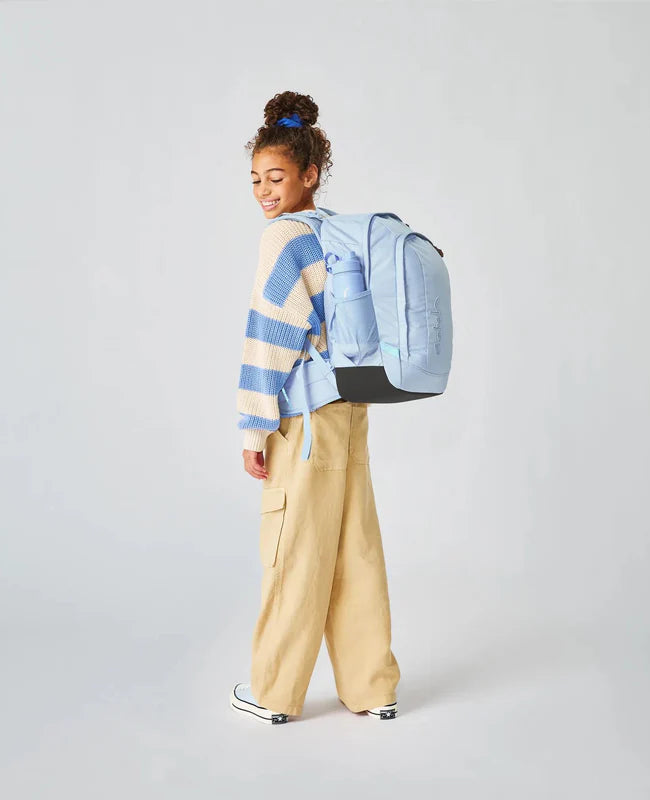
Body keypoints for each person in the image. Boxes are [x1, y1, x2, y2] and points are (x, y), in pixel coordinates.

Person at [230, 91, 400, 725]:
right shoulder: (336, 234)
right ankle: (374, 690)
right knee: (356, 551)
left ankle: (274, 694)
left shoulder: (283, 239)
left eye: (276, 178)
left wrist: (254, 426)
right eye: (256, 179)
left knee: (296, 550)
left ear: (309, 174)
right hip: (350, 412)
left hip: (303, 422)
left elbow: (269, 337)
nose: (264, 191)